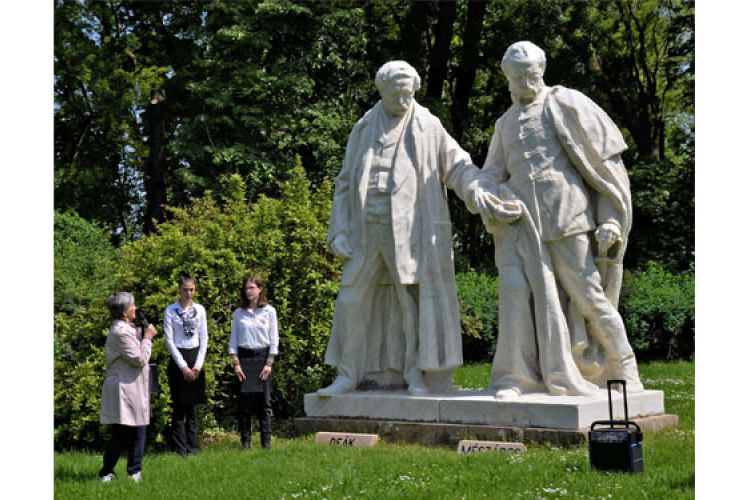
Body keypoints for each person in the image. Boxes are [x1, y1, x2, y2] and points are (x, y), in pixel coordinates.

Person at [472, 41, 643, 399]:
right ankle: (526, 377)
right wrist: (482, 194)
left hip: (568, 218)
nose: (524, 83)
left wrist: (609, 218)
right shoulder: (504, 124)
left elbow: (604, 167)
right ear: (507, 78)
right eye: (516, 77)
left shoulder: (564, 103)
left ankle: (623, 365)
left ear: (542, 71)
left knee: (588, 297)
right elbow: (491, 171)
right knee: (526, 302)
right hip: (524, 229)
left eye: (530, 75)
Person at [319, 61, 484, 396]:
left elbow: (456, 165)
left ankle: (415, 374)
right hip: (367, 229)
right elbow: (346, 182)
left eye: (407, 94)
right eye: (395, 93)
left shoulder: (427, 124)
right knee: (351, 299)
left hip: (408, 230)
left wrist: (478, 188)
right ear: (381, 90)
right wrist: (339, 231)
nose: (402, 100)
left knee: (410, 303)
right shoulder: (365, 126)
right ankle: (347, 374)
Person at [99, 292, 158, 483]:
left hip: (133, 386)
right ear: (125, 312)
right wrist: (148, 338)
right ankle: (106, 472)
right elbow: (140, 359)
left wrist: (142, 334)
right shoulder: (120, 332)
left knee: (139, 428)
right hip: (125, 387)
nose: (136, 308)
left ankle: (135, 471)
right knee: (122, 430)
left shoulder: (128, 328)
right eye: (132, 306)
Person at [229, 275, 278, 449]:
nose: (248, 291)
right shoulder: (239, 313)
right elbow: (233, 340)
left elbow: (274, 339)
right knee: (245, 403)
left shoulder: (269, 311)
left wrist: (269, 363)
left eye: (252, 288)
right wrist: (236, 363)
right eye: (246, 288)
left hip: (263, 357)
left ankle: (266, 442)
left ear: (260, 289)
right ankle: (246, 442)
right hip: (244, 358)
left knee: (264, 403)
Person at [163, 270, 208, 456]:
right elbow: (169, 340)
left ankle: (193, 447)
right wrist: (182, 366)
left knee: (192, 408)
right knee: (179, 407)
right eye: (185, 290)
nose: (188, 294)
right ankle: (180, 449)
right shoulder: (170, 311)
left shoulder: (200, 310)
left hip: (195, 358)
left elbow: (204, 337)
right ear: (179, 290)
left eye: (191, 290)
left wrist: (198, 364)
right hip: (178, 360)